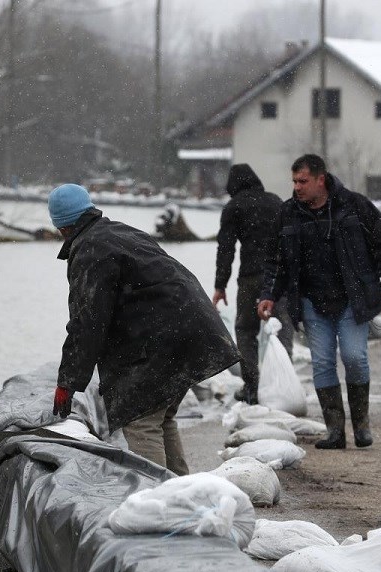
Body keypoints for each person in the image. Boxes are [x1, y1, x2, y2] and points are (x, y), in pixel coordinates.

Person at [48, 183, 240, 475]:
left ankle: (160, 506)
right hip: (194, 329)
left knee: (141, 422)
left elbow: (88, 323)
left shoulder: (90, 249)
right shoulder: (119, 232)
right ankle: (183, 494)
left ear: (61, 226)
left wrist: (67, 382)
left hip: (165, 340)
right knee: (161, 419)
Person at [257, 154, 381, 449]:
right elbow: (275, 261)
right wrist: (268, 294)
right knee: (322, 362)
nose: (297, 187)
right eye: (294, 181)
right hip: (311, 300)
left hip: (352, 297)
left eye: (303, 181)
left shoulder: (355, 207)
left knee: (353, 356)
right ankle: (335, 431)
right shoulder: (288, 214)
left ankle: (361, 424)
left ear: (321, 179)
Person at [212, 163, 294, 405]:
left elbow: (225, 249)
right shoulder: (275, 201)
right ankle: (282, 384)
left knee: (246, 331)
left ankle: (252, 386)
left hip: (250, 277)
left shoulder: (233, 207)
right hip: (279, 277)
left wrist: (220, 285)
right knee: (282, 328)